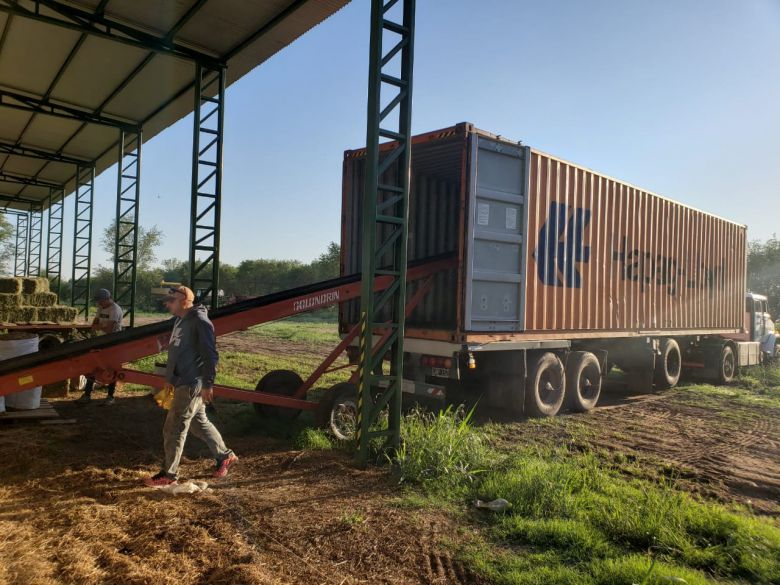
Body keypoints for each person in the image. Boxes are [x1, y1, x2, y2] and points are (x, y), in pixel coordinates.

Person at [143, 285, 237, 487]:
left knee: (174, 427)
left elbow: (210, 355)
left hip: (192, 382)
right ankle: (225, 456)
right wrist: (169, 378)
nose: (167, 304)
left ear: (184, 301)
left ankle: (169, 474)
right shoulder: (179, 320)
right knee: (199, 424)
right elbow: (176, 351)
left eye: (171, 300)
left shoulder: (200, 322)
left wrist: (208, 383)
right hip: (180, 380)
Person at [76, 288, 123, 406]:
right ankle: (87, 395)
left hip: (113, 342)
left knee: (111, 369)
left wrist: (99, 326)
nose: (99, 303)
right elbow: (94, 324)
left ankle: (110, 396)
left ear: (107, 299)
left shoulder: (115, 310)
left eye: (100, 301)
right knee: (93, 366)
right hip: (100, 341)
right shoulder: (101, 308)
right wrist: (99, 327)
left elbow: (109, 329)